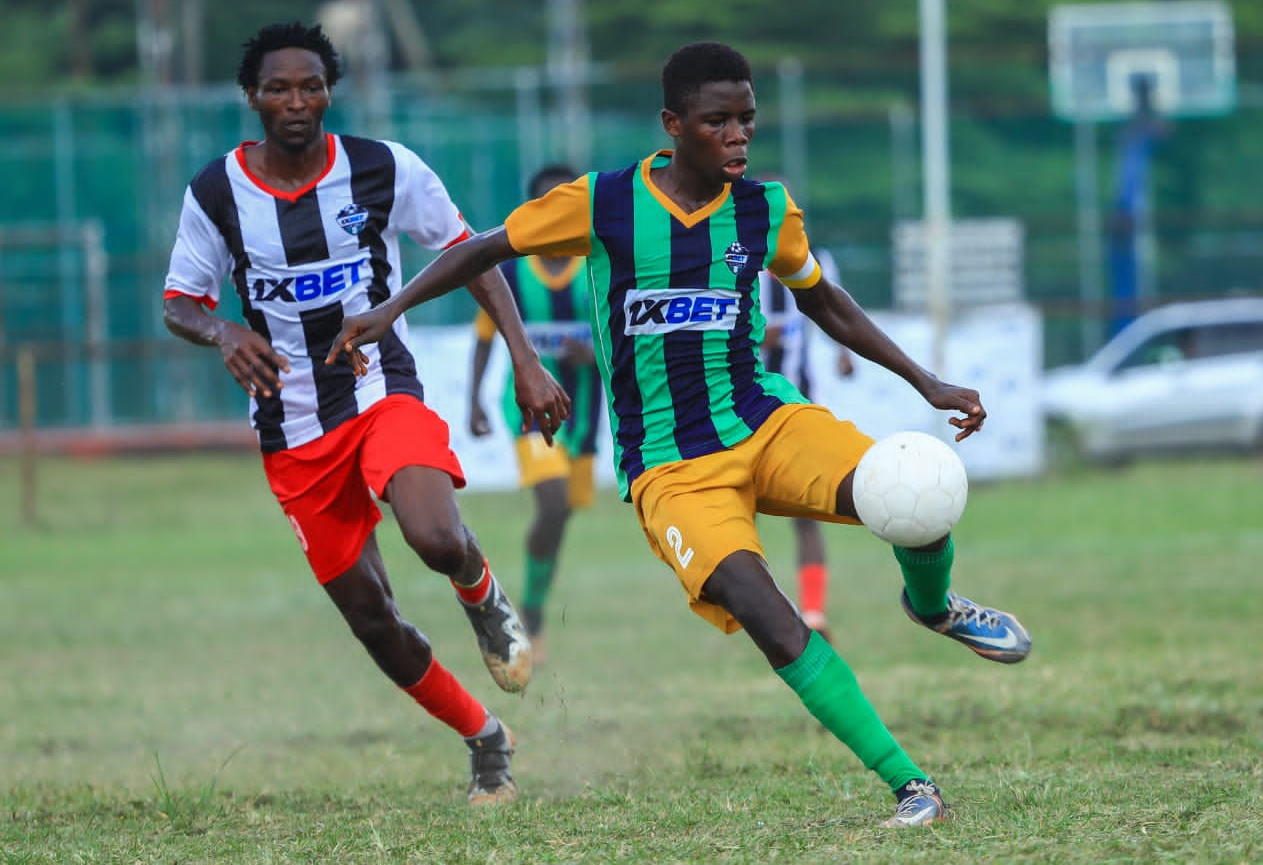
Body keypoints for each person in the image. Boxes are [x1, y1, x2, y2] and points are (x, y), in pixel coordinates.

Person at [326, 41, 1032, 829]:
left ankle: (932, 605)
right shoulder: (604, 202)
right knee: (770, 618)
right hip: (670, 465)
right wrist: (391, 310)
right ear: (673, 124)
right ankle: (912, 784)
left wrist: (925, 382)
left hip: (765, 421)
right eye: (718, 121)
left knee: (916, 481)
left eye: (748, 120)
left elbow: (822, 300)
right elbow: (481, 248)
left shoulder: (767, 208)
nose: (738, 136)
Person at [161, 21, 570, 806]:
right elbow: (180, 301)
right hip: (291, 427)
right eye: (277, 88)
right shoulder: (217, 192)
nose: (295, 101)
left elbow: (472, 252)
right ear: (252, 97)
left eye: (311, 85)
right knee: (371, 617)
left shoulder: (384, 168)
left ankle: (481, 591)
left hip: (381, 386)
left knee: (434, 534)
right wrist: (223, 329)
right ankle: (485, 736)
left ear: (330, 92)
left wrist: (524, 357)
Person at [467, 163, 605, 666]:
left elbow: (625, 335)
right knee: (552, 503)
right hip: (528, 411)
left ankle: (535, 603)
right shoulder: (509, 272)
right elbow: (485, 337)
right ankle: (531, 614)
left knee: (563, 510)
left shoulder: (598, 268)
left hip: (585, 413)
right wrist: (475, 401)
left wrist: (596, 357)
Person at [755, 183, 855, 643]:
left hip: (797, 402)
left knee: (806, 509)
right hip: (742, 406)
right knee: (737, 514)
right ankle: (764, 614)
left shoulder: (815, 259)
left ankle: (813, 613)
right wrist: (755, 341)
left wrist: (842, 351)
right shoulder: (736, 264)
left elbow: (830, 306)